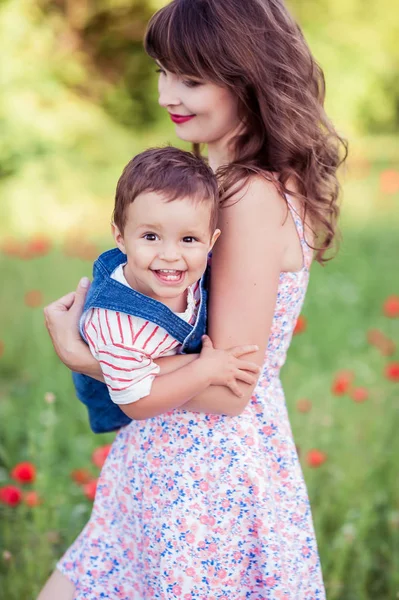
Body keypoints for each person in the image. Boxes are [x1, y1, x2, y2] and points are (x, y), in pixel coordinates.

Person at [39, 0, 347, 597]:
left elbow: (231, 389)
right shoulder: (226, 179)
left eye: (189, 79)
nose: (164, 95)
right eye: (162, 72)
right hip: (167, 461)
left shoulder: (248, 197)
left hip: (205, 481)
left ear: (246, 76)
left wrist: (88, 358)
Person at [73, 146, 260, 432]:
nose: (170, 255)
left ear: (211, 242)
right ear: (120, 238)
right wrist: (204, 368)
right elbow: (136, 404)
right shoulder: (117, 325)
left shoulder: (188, 268)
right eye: (151, 236)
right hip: (130, 404)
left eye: (188, 239)